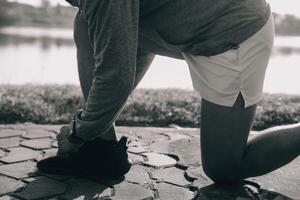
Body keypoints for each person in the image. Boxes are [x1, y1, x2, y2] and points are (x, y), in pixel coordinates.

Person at [37, 0, 300, 197]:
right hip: (193, 25)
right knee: (86, 22)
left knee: (224, 169)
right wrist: (95, 125)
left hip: (234, 35)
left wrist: (77, 132)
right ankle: (102, 152)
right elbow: (131, 28)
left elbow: (116, 78)